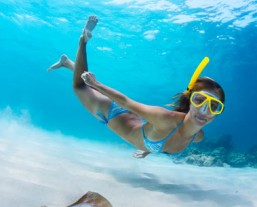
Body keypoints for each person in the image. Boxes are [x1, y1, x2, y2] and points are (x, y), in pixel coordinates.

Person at [48, 16, 225, 158]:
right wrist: (96, 84)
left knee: (86, 83)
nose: (205, 110)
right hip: (111, 114)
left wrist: (148, 149)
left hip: (133, 121)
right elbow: (125, 102)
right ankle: (83, 40)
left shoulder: (198, 136)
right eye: (200, 100)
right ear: (191, 101)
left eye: (214, 106)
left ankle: (68, 64)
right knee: (80, 86)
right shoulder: (165, 118)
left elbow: (165, 137)